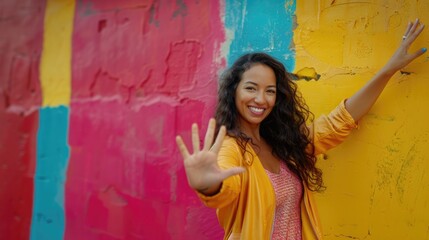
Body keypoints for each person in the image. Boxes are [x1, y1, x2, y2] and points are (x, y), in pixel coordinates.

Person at [176, 19, 426, 240]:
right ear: (234, 92)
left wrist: (389, 69)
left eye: (270, 91)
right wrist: (208, 186)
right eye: (251, 88)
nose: (261, 99)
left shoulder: (284, 144)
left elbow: (341, 120)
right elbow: (226, 188)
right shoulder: (231, 148)